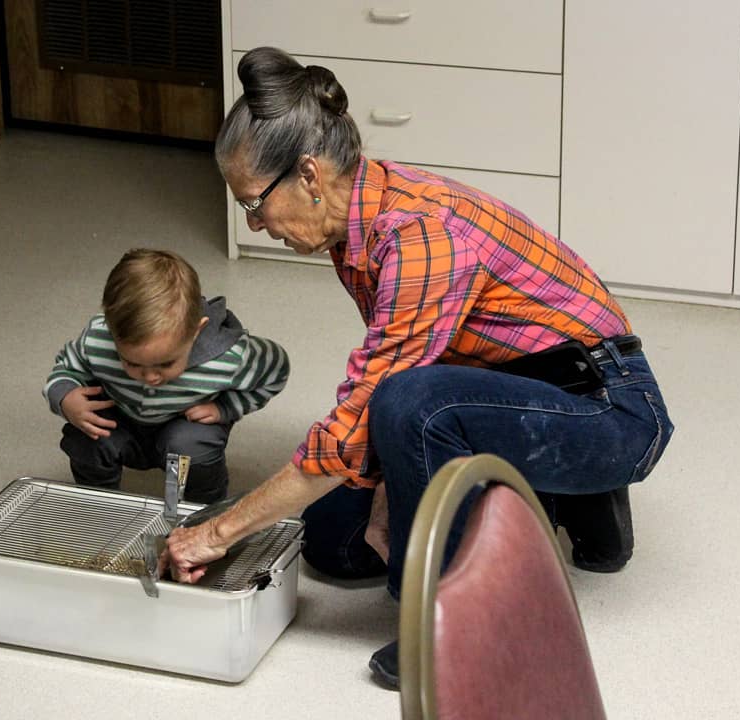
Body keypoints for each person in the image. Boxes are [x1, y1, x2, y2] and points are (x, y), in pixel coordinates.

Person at [163, 47, 675, 688]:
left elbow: (382, 405)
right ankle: (554, 497)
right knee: (333, 543)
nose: (258, 225)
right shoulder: (353, 229)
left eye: (254, 205)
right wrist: (386, 481)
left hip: (607, 408)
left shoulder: (420, 234)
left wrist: (218, 532)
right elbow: (407, 369)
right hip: (517, 392)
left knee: (409, 404)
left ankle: (454, 627)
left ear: (310, 176)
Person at [44, 248, 290, 504]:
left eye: (166, 363)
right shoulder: (98, 338)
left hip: (184, 425)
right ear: (111, 329)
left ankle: (202, 513)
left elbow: (277, 370)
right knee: (86, 436)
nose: (150, 377)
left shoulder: (227, 356)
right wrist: (65, 398)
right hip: (120, 420)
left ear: (196, 331)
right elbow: (66, 368)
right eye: (132, 363)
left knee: (192, 446)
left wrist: (225, 408)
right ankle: (101, 504)